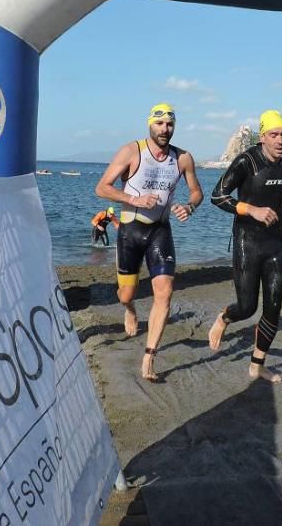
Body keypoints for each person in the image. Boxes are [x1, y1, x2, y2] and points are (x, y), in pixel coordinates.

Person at [94, 103, 202, 382]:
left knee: (164, 293)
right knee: (126, 295)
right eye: (160, 124)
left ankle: (149, 357)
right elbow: (102, 187)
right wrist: (133, 199)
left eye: (170, 124)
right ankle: (129, 310)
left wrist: (189, 207)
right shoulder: (131, 151)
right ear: (150, 125)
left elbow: (196, 192)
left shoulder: (183, 158)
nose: (165, 129)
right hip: (130, 230)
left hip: (160, 231)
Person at [208, 110, 282, 383]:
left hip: (276, 242)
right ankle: (225, 317)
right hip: (247, 241)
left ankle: (257, 364)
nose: (280, 141)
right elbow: (217, 196)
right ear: (262, 137)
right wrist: (251, 209)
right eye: (274, 135)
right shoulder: (247, 161)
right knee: (247, 307)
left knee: (274, 306)